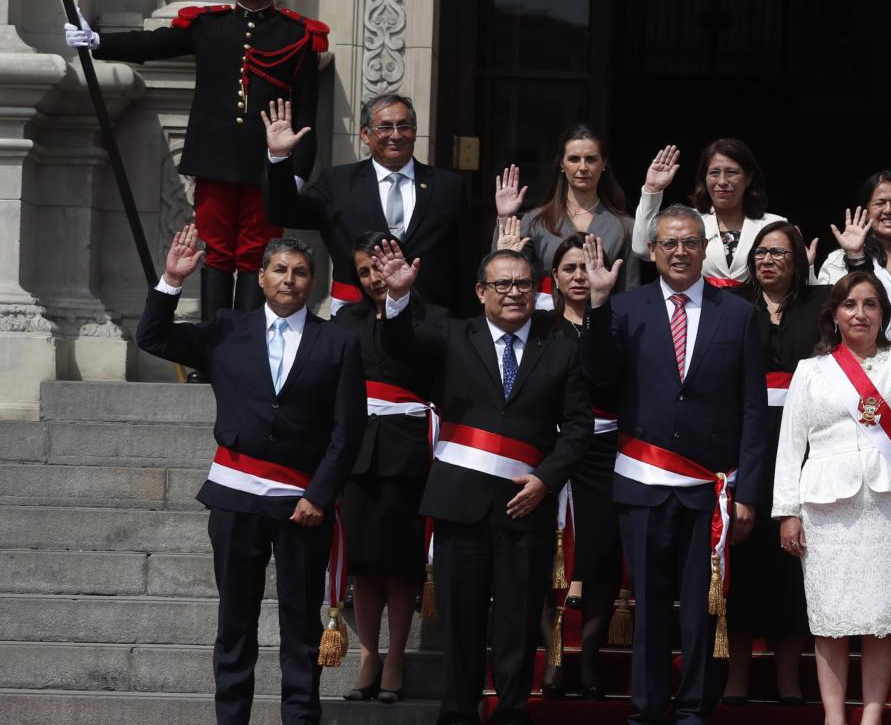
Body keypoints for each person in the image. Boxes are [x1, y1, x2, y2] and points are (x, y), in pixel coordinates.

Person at [135, 226, 364, 725]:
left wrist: (320, 496)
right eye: (279, 270)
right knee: (235, 624)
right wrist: (172, 281)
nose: (289, 279)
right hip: (236, 498)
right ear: (260, 278)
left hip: (303, 505)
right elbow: (152, 336)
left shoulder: (339, 343)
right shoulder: (226, 330)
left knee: (301, 625)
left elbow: (349, 431)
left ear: (314, 281)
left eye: (300, 272)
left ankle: (299, 718)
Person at [373, 243, 593, 725]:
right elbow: (401, 348)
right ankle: (457, 714)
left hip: (526, 505)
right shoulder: (452, 335)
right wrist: (397, 300)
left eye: (523, 284)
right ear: (480, 291)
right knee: (461, 624)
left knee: (517, 624)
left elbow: (578, 426)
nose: (514, 293)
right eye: (502, 284)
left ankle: (511, 712)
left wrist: (546, 480)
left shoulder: (560, 344)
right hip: (461, 506)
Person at [71, 0, 327, 319]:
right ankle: (212, 344)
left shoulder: (298, 36)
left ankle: (244, 341)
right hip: (215, 157)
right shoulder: (209, 25)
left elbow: (307, 113)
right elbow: (154, 43)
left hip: (269, 164)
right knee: (217, 251)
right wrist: (100, 42)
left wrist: (295, 173)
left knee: (258, 254)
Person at [582, 205, 769, 725]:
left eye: (690, 242)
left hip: (709, 490)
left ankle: (693, 710)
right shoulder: (626, 309)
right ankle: (647, 711)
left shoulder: (739, 314)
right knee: (651, 609)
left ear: (705, 248)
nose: (680, 252)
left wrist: (748, 491)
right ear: (654, 251)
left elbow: (753, 408)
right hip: (645, 482)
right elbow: (598, 378)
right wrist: (598, 303)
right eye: (669, 244)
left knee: (702, 609)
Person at [772, 226, 891, 725]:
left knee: (883, 622)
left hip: (889, 507)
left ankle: (872, 714)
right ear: (834, 315)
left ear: (885, 313)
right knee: (830, 622)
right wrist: (787, 513)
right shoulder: (810, 371)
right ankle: (836, 716)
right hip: (826, 513)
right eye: (850, 304)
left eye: (871, 305)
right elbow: (791, 447)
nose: (860, 313)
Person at [495, 224, 626, 701]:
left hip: (604, 451)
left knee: (600, 554)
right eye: (569, 268)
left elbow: (604, 377)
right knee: (543, 554)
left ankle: (587, 654)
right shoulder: (539, 325)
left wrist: (598, 307)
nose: (579, 276)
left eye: (587, 268)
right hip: (545, 452)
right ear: (552, 276)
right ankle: (552, 655)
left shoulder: (616, 319)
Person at [330, 232, 444, 704]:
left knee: (399, 565)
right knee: (365, 566)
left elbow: (429, 364)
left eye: (381, 266)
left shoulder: (432, 318)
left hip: (406, 454)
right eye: (365, 271)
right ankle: (368, 654)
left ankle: (395, 655)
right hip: (356, 454)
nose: (376, 278)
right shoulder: (344, 321)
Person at [724, 221, 824, 706]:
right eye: (761, 252)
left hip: (806, 444)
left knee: (792, 562)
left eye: (779, 253)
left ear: (799, 260)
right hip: (747, 441)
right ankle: (737, 676)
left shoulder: (820, 305)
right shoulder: (733, 306)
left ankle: (787, 678)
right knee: (743, 560)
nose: (767, 260)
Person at [262, 94, 467, 312]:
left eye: (404, 126)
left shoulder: (449, 186)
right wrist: (280, 157)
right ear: (364, 134)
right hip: (356, 317)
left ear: (414, 131)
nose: (396, 135)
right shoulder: (337, 182)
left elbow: (463, 261)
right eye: (385, 127)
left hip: (429, 319)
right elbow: (282, 213)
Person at [493, 123, 638, 300]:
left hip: (602, 321)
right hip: (545, 321)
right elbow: (503, 276)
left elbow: (630, 293)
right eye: (574, 159)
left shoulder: (624, 227)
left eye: (591, 159)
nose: (583, 167)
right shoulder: (535, 221)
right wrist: (505, 218)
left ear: (604, 163)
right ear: (562, 163)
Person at [629, 140, 787, 286]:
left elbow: (802, 282)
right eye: (714, 173)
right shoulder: (687, 221)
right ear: (704, 178)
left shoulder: (774, 225)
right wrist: (652, 190)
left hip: (757, 313)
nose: (722, 181)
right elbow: (643, 249)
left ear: (748, 178)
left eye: (731, 172)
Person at [817, 170, 891, 338]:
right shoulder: (838, 260)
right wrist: (854, 255)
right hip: (865, 358)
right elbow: (825, 313)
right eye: (880, 203)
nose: (888, 210)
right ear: (866, 210)